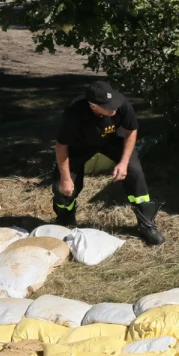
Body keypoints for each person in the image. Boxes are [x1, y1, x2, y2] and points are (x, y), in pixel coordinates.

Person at [52, 81, 164, 246]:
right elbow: (61, 146)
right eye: (108, 107)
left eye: (115, 104)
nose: (114, 109)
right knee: (63, 186)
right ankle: (64, 219)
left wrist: (124, 162)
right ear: (93, 106)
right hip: (80, 144)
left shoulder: (121, 103)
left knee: (135, 172)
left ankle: (146, 225)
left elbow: (131, 130)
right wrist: (66, 178)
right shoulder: (74, 112)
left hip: (113, 140)